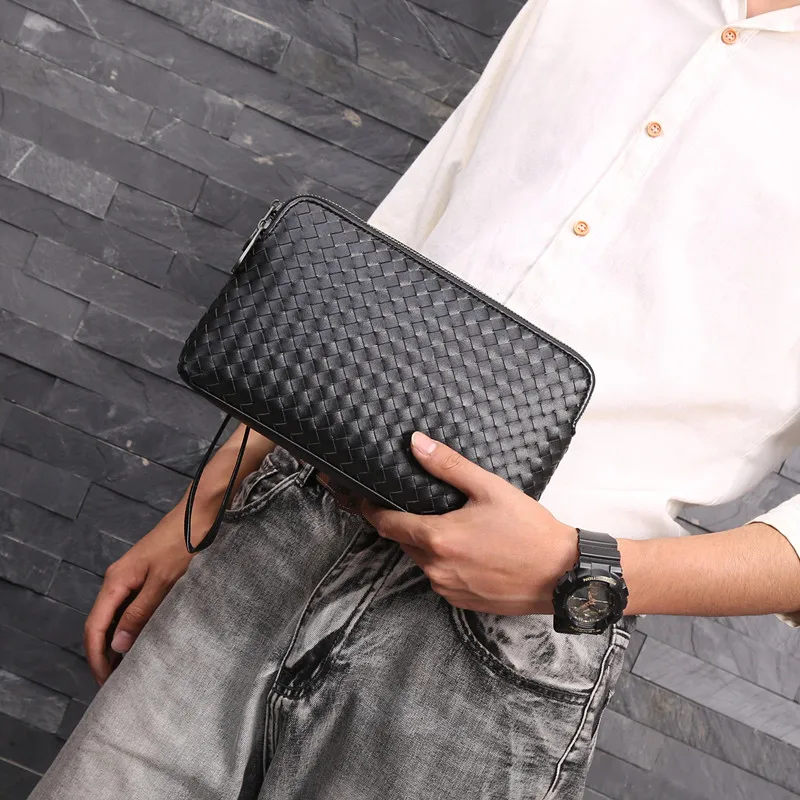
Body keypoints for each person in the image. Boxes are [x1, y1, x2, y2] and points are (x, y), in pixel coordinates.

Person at [31, 0, 800, 798]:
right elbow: (403, 245)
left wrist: (579, 572)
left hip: (512, 635)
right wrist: (210, 496)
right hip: (289, 515)